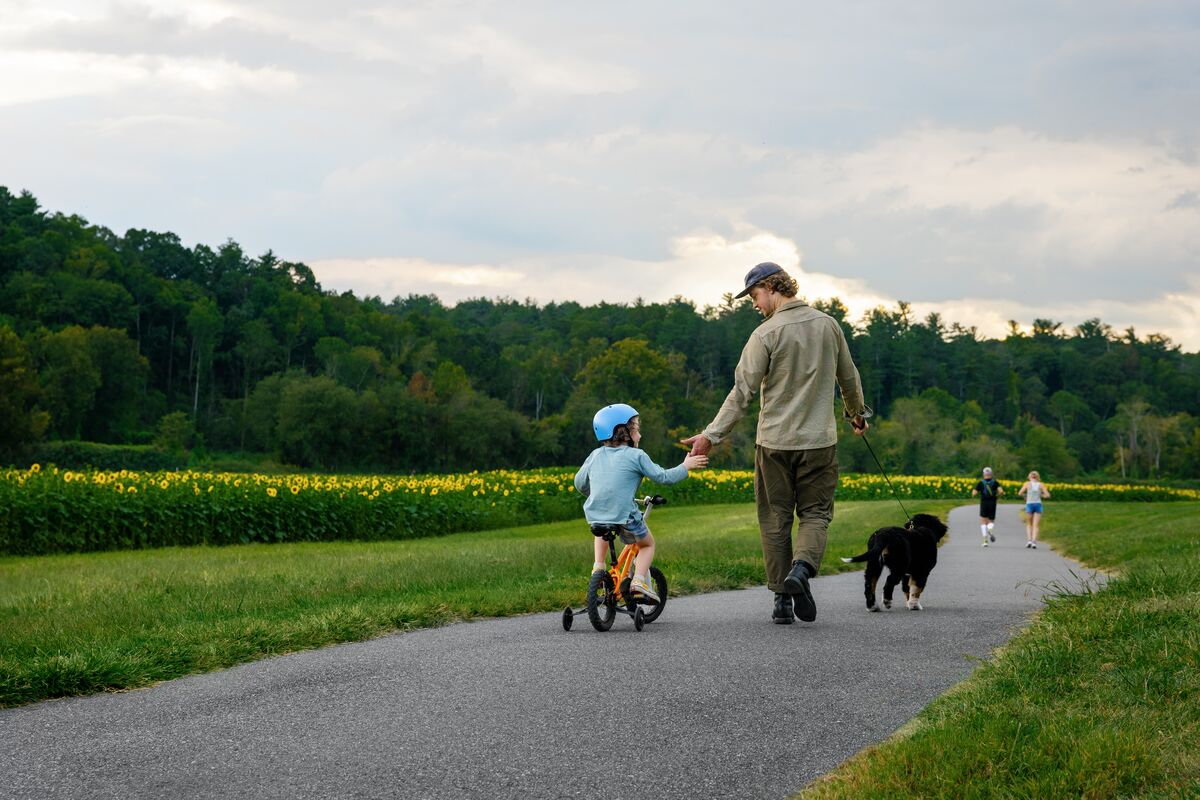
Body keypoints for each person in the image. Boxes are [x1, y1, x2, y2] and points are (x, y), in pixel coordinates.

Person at [680, 262, 870, 625]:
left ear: (771, 287)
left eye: (754, 295)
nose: (754, 304)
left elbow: (742, 393)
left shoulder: (765, 334)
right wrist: (856, 415)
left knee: (775, 518)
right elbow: (849, 377)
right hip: (818, 442)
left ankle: (782, 599)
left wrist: (711, 435)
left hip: (774, 444)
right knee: (815, 514)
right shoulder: (829, 325)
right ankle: (801, 569)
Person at [575, 403, 708, 602]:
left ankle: (598, 568)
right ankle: (639, 581)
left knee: (603, 530)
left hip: (596, 515)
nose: (640, 434)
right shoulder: (637, 456)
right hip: (626, 516)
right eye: (637, 429)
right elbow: (663, 477)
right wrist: (685, 466)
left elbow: (579, 483)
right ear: (625, 432)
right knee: (647, 545)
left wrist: (599, 497)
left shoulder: (594, 455)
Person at [971, 467, 1004, 547]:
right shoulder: (995, 482)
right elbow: (1001, 491)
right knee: (991, 520)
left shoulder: (981, 483)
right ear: (991, 474)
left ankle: (985, 540)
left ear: (984, 474)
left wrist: (974, 493)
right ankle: (990, 529)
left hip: (984, 502)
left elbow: (974, 493)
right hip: (992, 503)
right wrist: (997, 496)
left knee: (983, 521)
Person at [1018, 470, 1051, 549]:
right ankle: (1034, 542)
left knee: (1029, 524)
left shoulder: (1027, 484)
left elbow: (1020, 493)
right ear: (1038, 477)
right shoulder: (1041, 485)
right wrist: (1041, 495)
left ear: (1029, 477)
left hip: (1029, 504)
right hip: (1038, 504)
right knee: (1036, 525)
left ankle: (1029, 540)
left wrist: (1025, 497)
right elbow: (1048, 495)